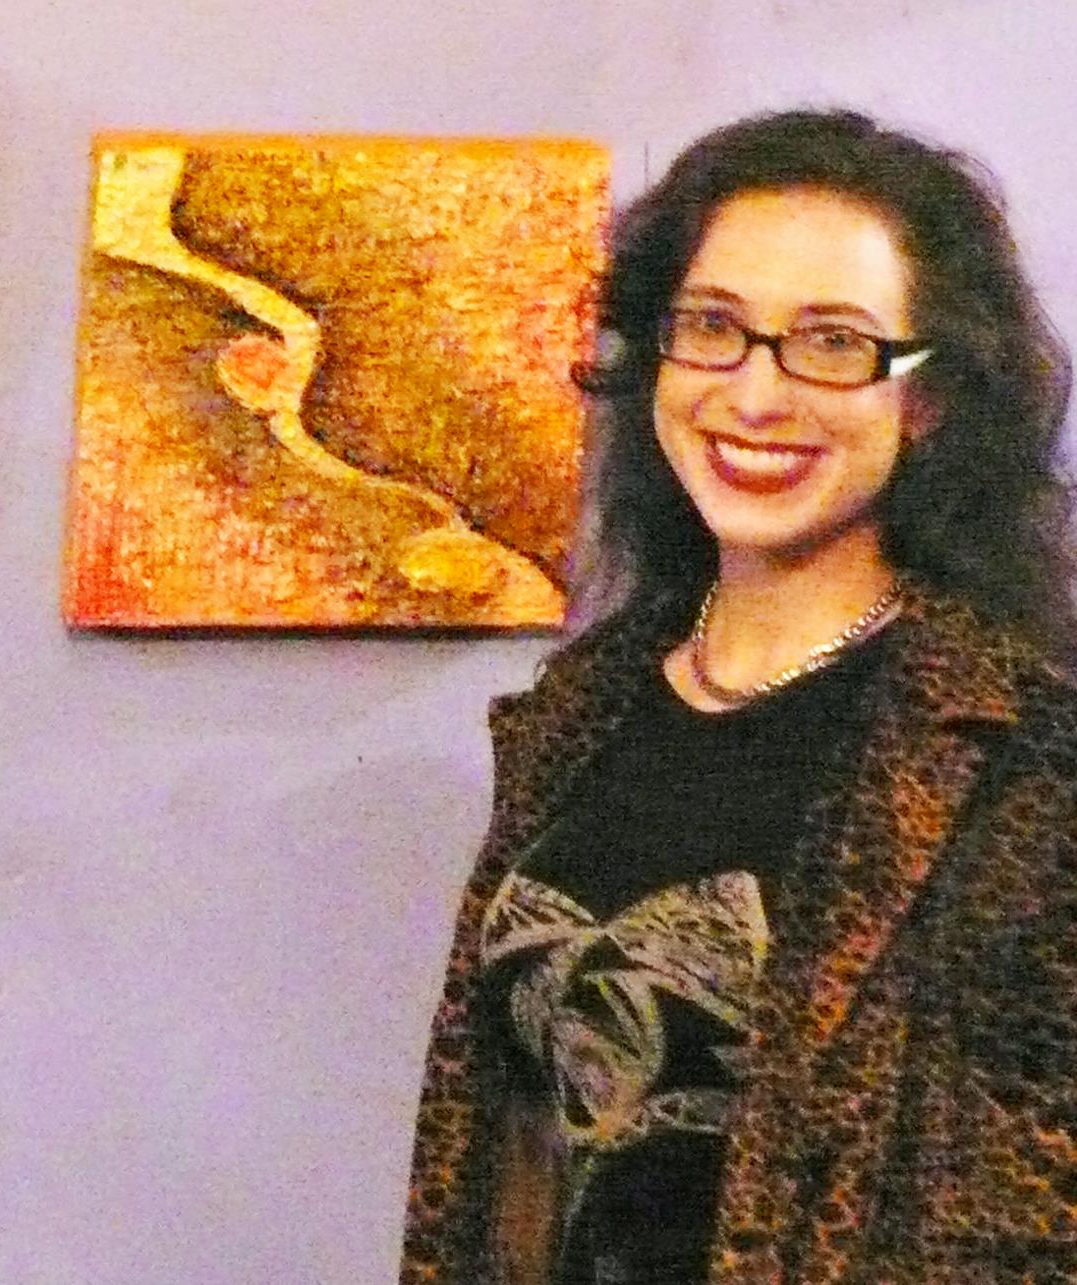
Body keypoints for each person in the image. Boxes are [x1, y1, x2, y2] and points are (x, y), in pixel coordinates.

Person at [398, 109, 1077, 1284]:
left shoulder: (1026, 753)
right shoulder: (577, 714)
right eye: (712, 327)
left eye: (831, 343)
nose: (754, 396)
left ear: (925, 398)